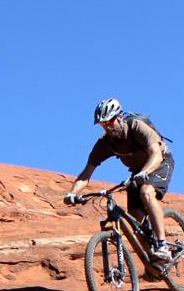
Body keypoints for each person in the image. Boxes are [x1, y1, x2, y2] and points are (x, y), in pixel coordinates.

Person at [64, 98, 175, 261]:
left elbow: (156, 154)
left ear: (120, 117)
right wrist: (72, 193)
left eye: (109, 122)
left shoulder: (137, 127)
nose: (108, 127)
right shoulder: (105, 143)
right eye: (103, 124)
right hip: (138, 172)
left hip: (159, 162)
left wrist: (145, 172)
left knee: (146, 192)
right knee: (135, 220)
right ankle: (154, 263)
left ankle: (162, 245)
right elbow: (86, 173)